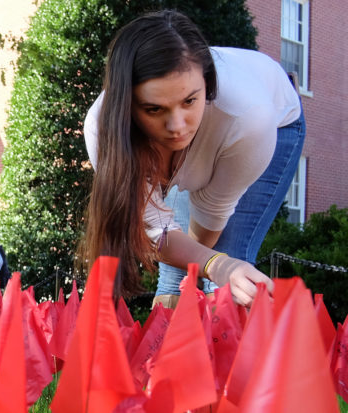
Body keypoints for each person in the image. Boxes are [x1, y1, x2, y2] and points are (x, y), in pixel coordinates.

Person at [80, 10, 303, 307]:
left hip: (276, 123)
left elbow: (209, 226)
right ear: (128, 106)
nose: (177, 127)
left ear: (207, 85)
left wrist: (217, 266)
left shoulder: (248, 120)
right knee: (178, 274)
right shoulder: (103, 130)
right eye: (153, 109)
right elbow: (156, 232)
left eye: (189, 101)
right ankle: (169, 347)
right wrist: (195, 261)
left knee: (227, 265)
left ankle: (228, 345)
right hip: (219, 126)